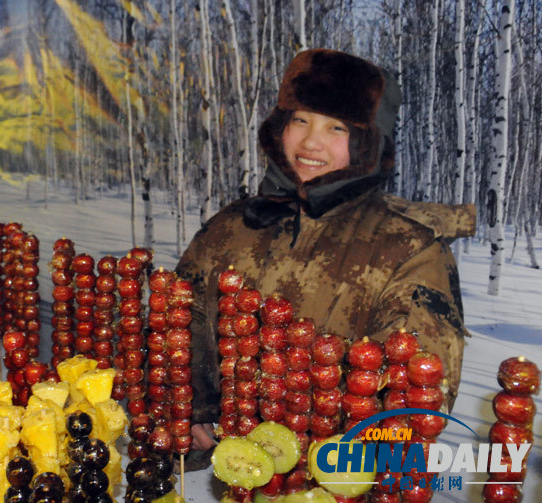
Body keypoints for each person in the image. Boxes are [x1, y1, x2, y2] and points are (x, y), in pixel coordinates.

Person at [175, 49, 475, 467]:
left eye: (336, 127)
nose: (310, 142)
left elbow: (416, 394)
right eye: (300, 120)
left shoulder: (408, 245)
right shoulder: (233, 225)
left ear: (369, 143)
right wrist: (192, 406)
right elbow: (180, 319)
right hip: (233, 472)